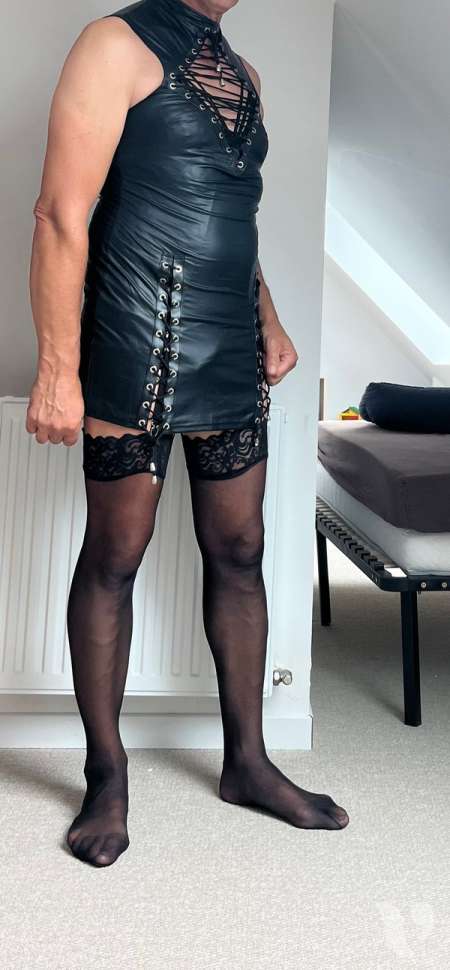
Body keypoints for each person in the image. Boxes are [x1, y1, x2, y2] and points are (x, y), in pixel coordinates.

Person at [27, 0, 349, 868]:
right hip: (133, 337)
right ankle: (106, 776)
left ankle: (248, 762)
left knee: (241, 550)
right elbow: (60, 212)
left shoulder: (245, 74)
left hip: (230, 342)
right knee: (114, 556)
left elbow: (228, 219)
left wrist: (268, 319)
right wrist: (57, 368)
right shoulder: (114, 43)